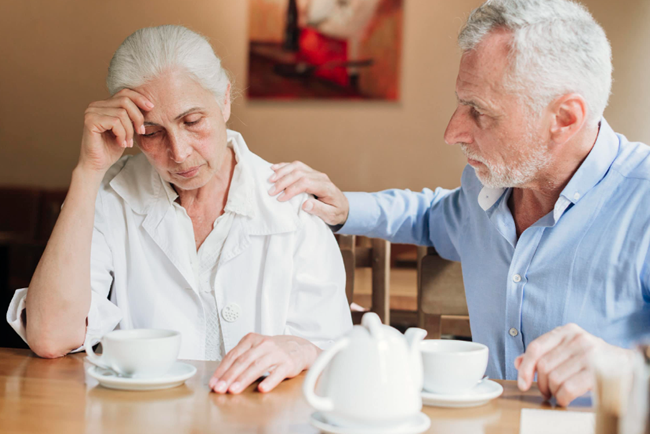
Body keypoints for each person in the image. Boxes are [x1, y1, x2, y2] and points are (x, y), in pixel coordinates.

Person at [268, 0, 650, 406]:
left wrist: (625, 367)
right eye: (461, 102)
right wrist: (346, 208)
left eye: (479, 112)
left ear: (565, 118)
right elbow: (431, 216)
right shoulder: (486, 184)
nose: (452, 133)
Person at [6, 25, 352, 394]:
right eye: (151, 133)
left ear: (224, 100)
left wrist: (301, 348)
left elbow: (339, 354)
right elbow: (50, 337)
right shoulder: (110, 197)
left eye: (192, 122)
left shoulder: (292, 202)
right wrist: (88, 172)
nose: (179, 152)